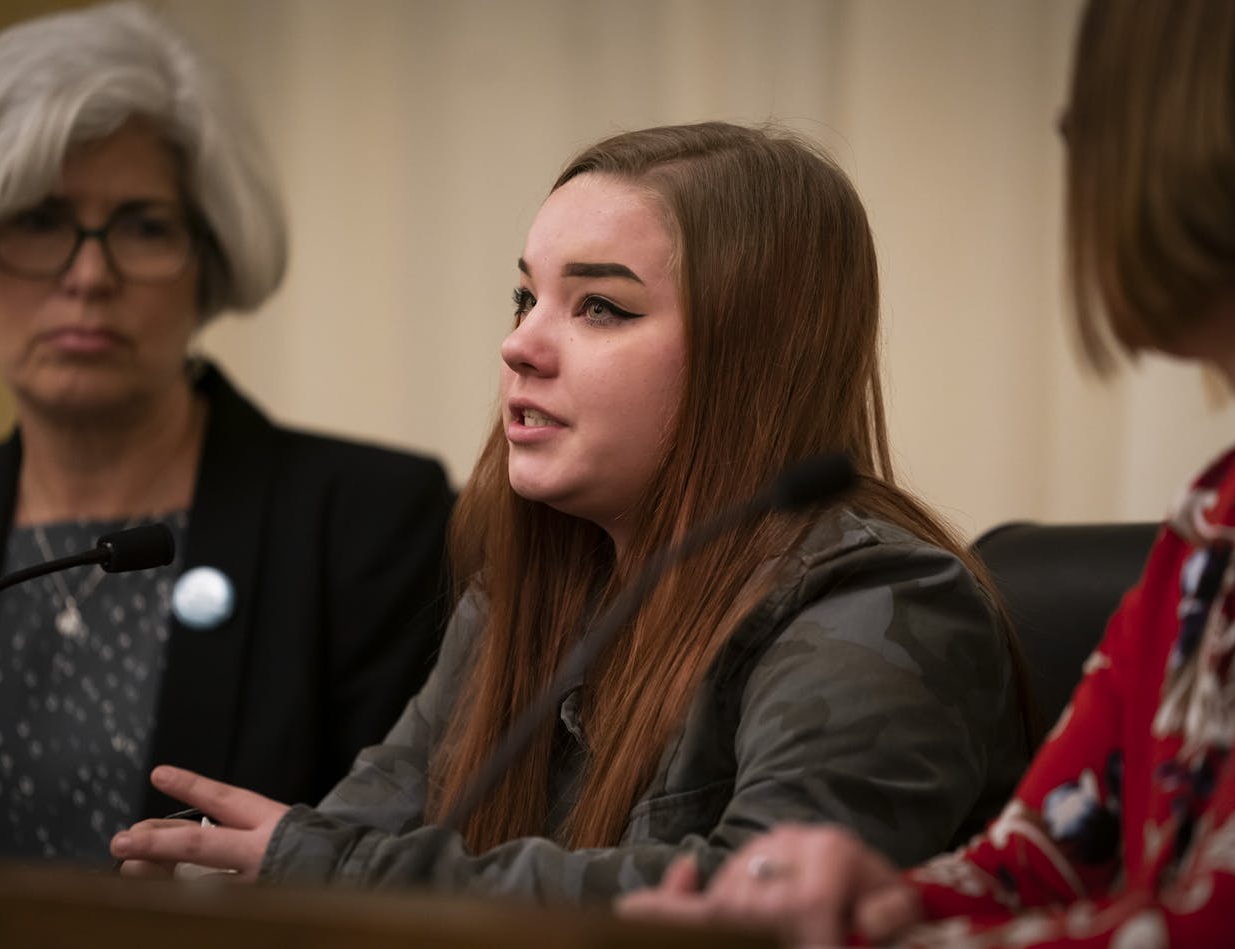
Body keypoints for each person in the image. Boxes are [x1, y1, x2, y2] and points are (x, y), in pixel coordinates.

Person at [108, 121, 1031, 903]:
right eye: (526, 296)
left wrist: (317, 864)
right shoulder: (525, 590)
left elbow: (747, 906)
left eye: (598, 306)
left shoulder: (879, 595)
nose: (519, 345)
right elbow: (353, 834)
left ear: (751, 356)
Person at [619, 2, 1235, 946]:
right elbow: (1035, 859)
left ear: (1223, 126)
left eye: (1097, 113)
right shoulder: (1225, 516)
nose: (1071, 146)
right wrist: (879, 901)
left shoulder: (876, 585)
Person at [0, 2, 452, 864]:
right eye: (38, 220)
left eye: (144, 226)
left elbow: (404, 862)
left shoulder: (371, 521)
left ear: (208, 262)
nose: (89, 274)